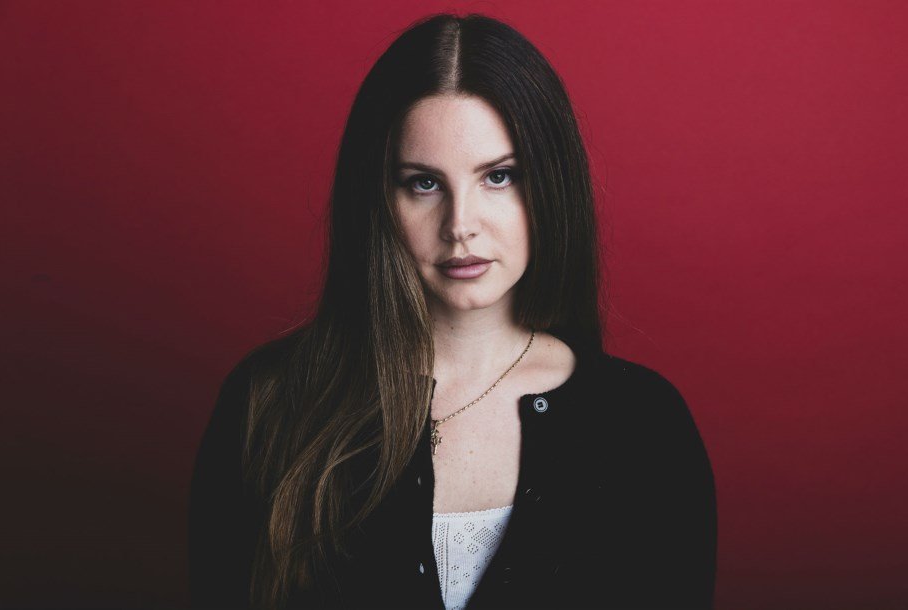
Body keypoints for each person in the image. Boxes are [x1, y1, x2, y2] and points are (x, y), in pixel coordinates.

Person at [187, 12, 717, 610]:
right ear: (378, 199)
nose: (460, 225)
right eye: (424, 183)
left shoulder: (645, 425)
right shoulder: (271, 402)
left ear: (551, 184)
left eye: (499, 176)